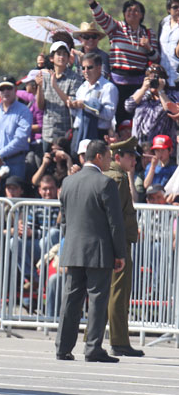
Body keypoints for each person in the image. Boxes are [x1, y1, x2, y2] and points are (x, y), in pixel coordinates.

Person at [55, 140, 126, 362]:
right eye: (107, 156)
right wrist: (120, 253)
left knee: (71, 300)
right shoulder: (106, 184)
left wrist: (67, 246)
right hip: (98, 250)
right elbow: (115, 223)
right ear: (98, 157)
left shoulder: (67, 182)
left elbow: (64, 220)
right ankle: (93, 347)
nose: (110, 160)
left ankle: (62, 347)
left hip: (74, 249)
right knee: (97, 299)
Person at [80, 0, 159, 125]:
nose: (132, 13)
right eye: (129, 10)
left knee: (137, 119)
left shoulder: (148, 33)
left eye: (136, 11)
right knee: (119, 120)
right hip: (118, 83)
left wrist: (148, 47)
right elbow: (101, 17)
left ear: (141, 15)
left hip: (139, 84)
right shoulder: (117, 28)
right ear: (124, 13)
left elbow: (156, 58)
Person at [104, 137, 143, 357]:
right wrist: (119, 248)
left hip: (113, 242)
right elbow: (116, 218)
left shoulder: (110, 176)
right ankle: (119, 341)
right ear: (118, 157)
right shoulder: (117, 179)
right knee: (118, 293)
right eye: (130, 157)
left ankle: (99, 338)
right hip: (118, 243)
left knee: (108, 292)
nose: (134, 161)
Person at [0, 76, 32, 178]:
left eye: (9, 88)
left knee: (13, 193)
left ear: (15, 90)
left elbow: (21, 140)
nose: (5, 91)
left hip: (15, 163)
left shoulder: (23, 111)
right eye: (2, 89)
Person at [36, 41, 82, 152]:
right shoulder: (45, 77)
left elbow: (71, 103)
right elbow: (41, 106)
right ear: (52, 58)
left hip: (65, 131)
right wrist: (39, 87)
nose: (61, 57)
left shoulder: (74, 78)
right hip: (48, 131)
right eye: (58, 54)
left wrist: (55, 86)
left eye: (64, 54)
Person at [69, 52, 118, 152]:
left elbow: (109, 114)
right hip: (79, 132)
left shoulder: (108, 88)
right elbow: (76, 114)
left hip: (97, 133)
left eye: (89, 67)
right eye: (83, 68)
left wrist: (86, 105)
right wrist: (72, 106)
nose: (86, 71)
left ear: (99, 68)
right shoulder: (82, 88)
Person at [126, 64, 179, 145]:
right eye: (150, 77)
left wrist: (160, 91)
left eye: (157, 77)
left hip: (161, 147)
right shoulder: (141, 94)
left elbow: (171, 111)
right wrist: (143, 88)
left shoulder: (172, 95)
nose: (153, 80)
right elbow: (128, 107)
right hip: (139, 145)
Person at [158, 0, 179, 89]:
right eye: (175, 7)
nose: (178, 10)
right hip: (164, 80)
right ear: (168, 9)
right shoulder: (163, 23)